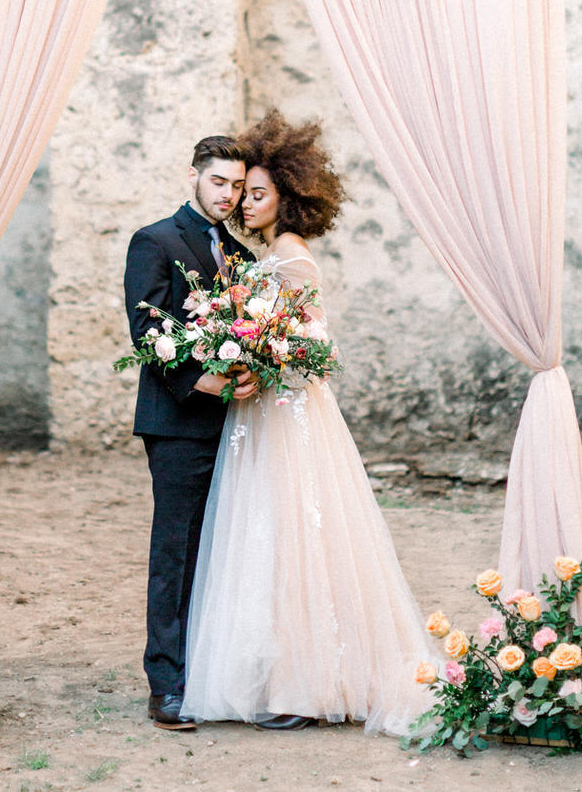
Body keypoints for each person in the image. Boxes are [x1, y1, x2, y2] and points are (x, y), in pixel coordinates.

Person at [181, 111, 435, 733]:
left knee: (293, 537)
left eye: (257, 193)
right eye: (241, 191)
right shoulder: (267, 255)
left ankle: (305, 686)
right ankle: (283, 677)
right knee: (268, 539)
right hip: (263, 413)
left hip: (288, 417)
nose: (244, 201)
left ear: (288, 200)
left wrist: (256, 360)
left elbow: (314, 346)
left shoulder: (291, 257)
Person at [124, 135, 259, 731]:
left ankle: (211, 672)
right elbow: (147, 328)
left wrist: (256, 369)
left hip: (238, 426)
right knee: (175, 552)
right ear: (194, 176)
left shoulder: (243, 257)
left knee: (222, 550)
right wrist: (203, 382)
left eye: (237, 186)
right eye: (219, 183)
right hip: (179, 422)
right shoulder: (155, 240)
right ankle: (166, 684)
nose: (228, 195)